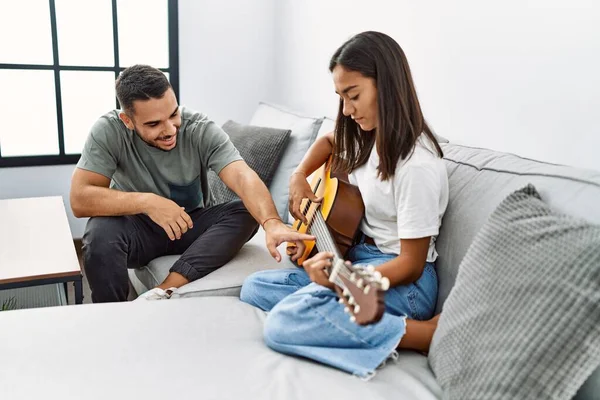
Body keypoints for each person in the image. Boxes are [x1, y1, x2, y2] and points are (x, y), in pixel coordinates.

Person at [240, 31, 449, 379]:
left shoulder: (417, 166)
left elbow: (411, 265)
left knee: (284, 323)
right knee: (255, 287)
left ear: (388, 86)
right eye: (341, 97)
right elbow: (327, 140)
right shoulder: (368, 136)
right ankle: (337, 312)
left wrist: (340, 278)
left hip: (405, 283)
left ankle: (421, 334)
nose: (347, 110)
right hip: (360, 258)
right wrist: (299, 177)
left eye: (353, 96)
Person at [70, 64, 313, 303]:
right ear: (128, 120)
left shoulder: (198, 127)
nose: (169, 129)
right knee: (99, 231)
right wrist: (149, 202)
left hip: (189, 227)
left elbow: (241, 175)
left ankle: (164, 290)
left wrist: (271, 222)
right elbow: (80, 198)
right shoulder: (108, 130)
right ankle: (110, 314)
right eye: (154, 124)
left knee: (245, 212)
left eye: (173, 114)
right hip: (138, 231)